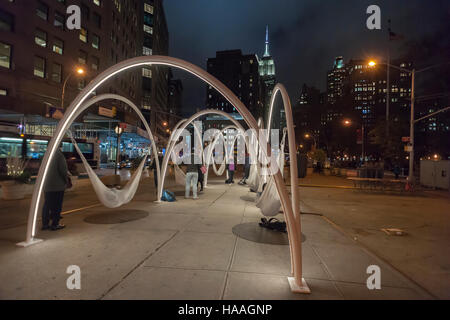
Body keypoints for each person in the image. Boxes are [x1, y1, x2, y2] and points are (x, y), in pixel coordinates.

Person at [42, 146, 68, 231]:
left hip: (47, 185)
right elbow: (63, 170)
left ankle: (45, 224)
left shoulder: (45, 155)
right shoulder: (59, 155)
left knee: (47, 205)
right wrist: (66, 181)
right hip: (57, 186)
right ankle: (55, 224)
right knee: (57, 206)